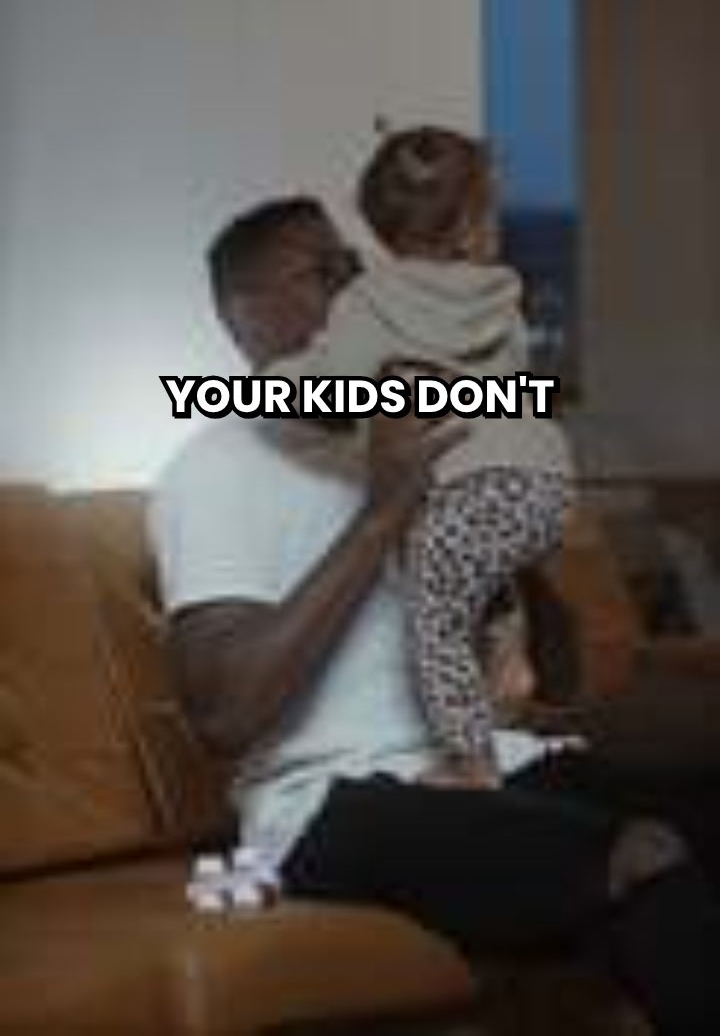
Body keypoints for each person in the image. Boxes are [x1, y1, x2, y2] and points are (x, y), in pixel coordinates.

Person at [152, 196, 720, 1035]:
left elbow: (558, 686)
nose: (359, 292)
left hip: (484, 767)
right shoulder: (215, 469)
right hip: (331, 806)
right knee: (640, 854)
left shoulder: (402, 438)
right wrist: (384, 511)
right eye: (324, 273)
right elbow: (224, 713)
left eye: (357, 268)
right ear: (247, 315)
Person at [259, 127, 575, 783]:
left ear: (376, 222)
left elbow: (332, 379)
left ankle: (471, 762)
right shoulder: (502, 294)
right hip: (547, 482)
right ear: (473, 221)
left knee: (433, 616)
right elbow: (516, 378)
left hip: (469, 486)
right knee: (476, 566)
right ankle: (509, 657)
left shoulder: (371, 300)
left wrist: (269, 381)